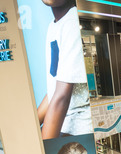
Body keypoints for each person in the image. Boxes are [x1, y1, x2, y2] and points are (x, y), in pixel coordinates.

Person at [37, 0, 92, 140]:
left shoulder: (72, 22)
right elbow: (54, 90)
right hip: (63, 125)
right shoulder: (54, 24)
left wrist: (45, 149)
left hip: (78, 130)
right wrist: (30, 127)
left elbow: (62, 96)